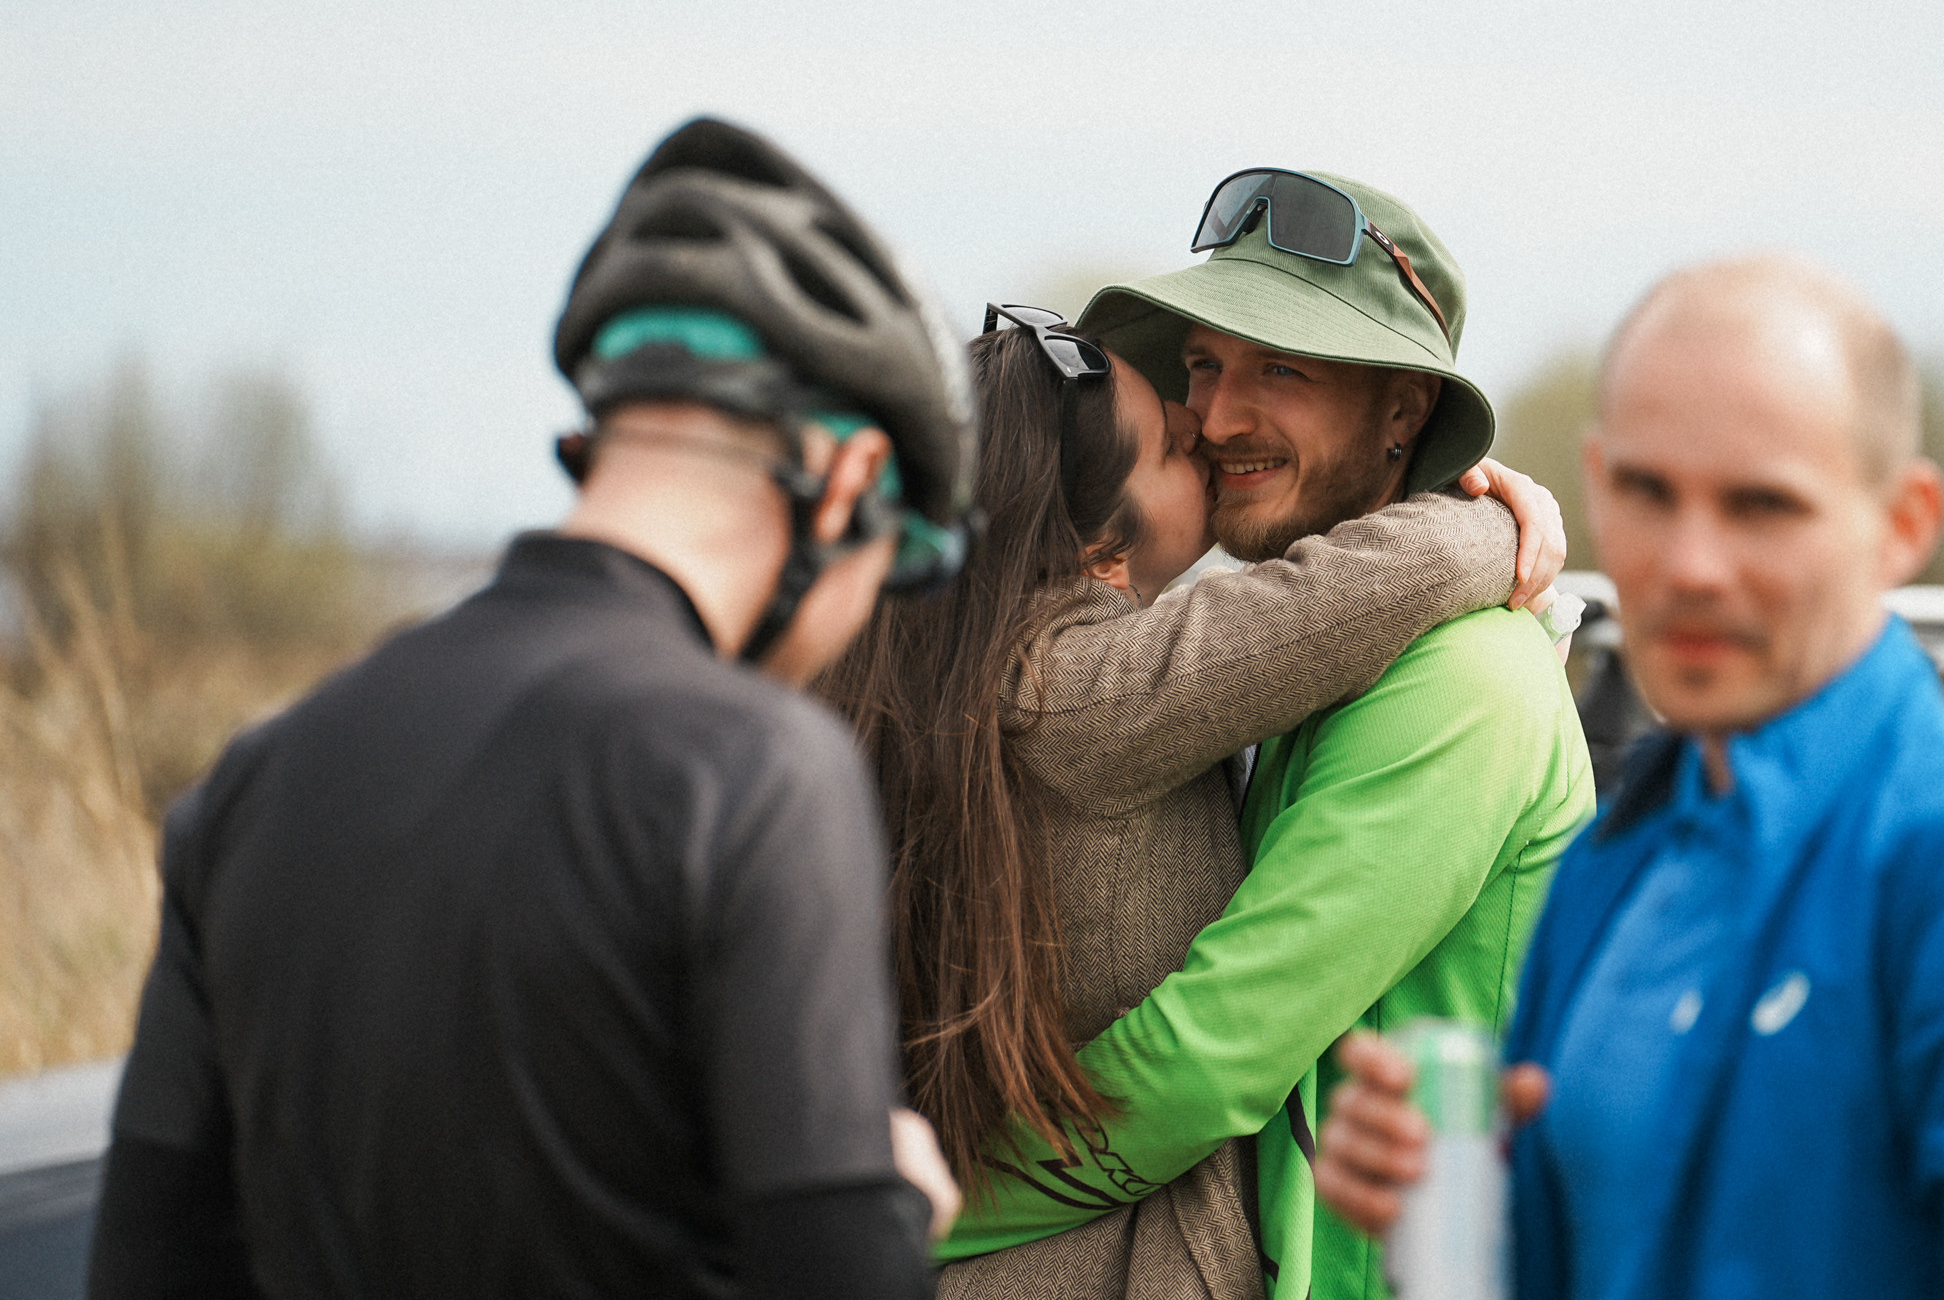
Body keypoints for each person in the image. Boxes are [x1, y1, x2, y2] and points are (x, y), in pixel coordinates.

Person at [87, 118, 974, 1300]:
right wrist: (888, 1206)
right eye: (895, 567)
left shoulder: (255, 776)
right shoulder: (757, 772)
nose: (865, 619)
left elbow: (144, 1263)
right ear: (852, 482)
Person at [1311, 253, 1944, 1300]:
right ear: (1597, 484)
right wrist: (1457, 1216)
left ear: (1905, 523)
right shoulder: (1621, 857)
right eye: (1650, 492)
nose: (1691, 563)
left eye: (1761, 506)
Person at [821, 300, 1570, 1299]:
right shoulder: (1085, 690)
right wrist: (1490, 524)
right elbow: (1335, 599)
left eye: (1277, 373)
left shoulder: (929, 677)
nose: (1213, 428)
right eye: (1178, 441)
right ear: (1099, 549)